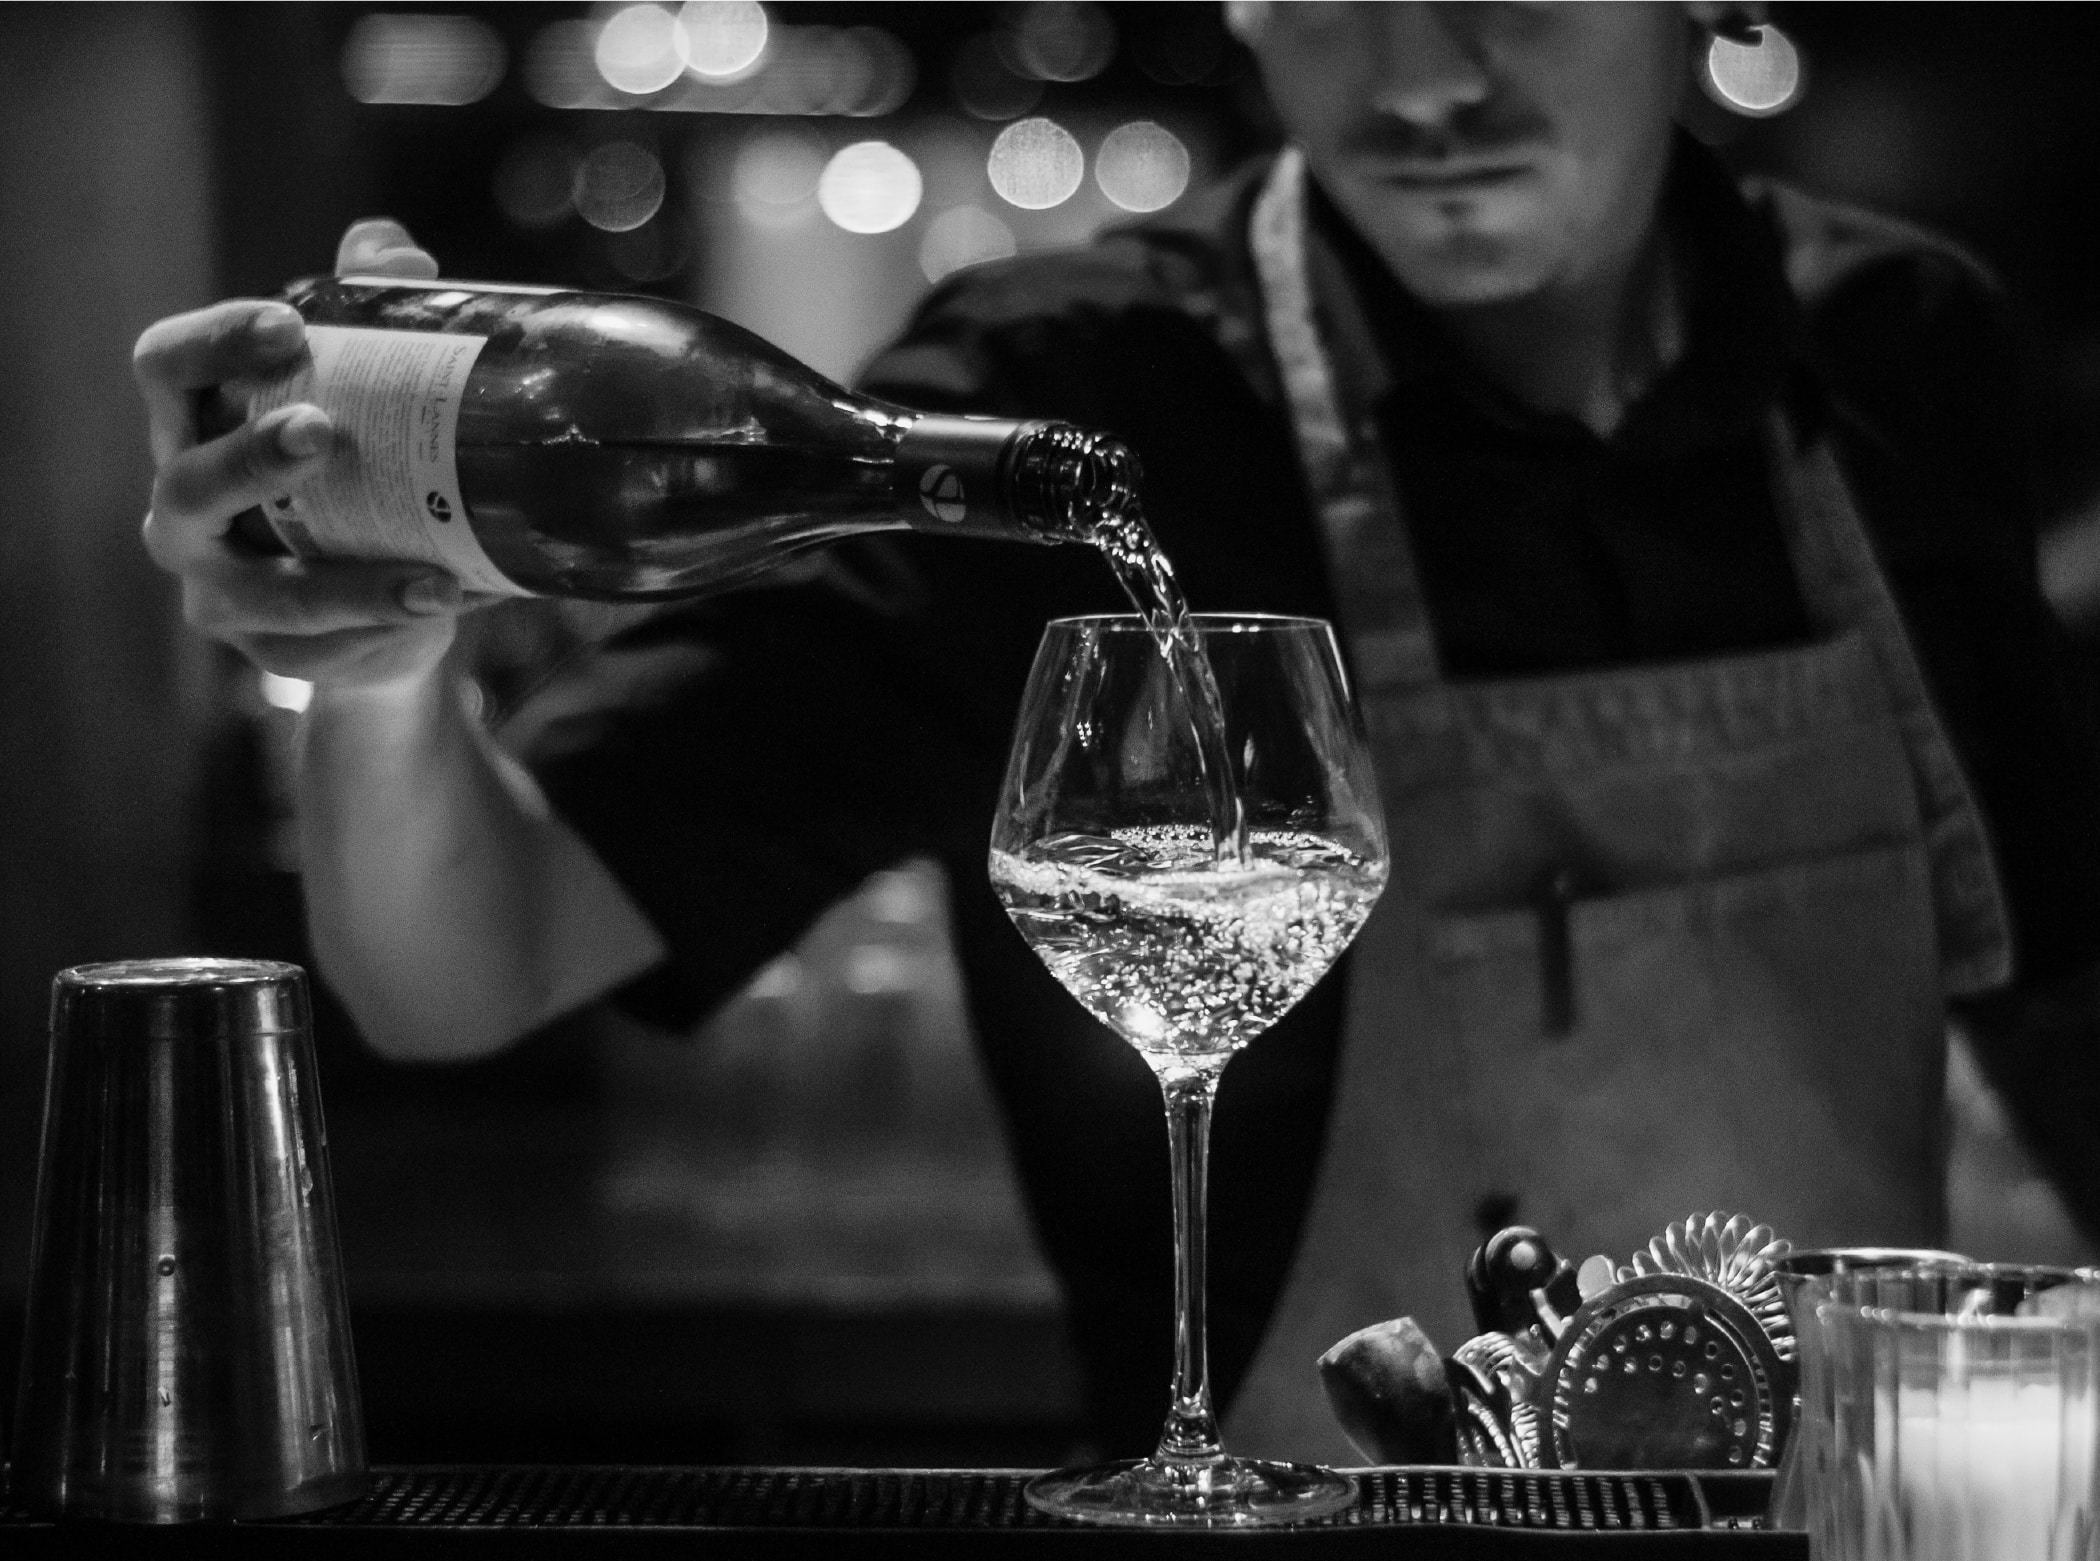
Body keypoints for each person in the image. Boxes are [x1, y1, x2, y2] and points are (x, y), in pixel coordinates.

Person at [135, 3, 2100, 1461]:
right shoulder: (1064, 403)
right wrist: (382, 679)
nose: (1423, 80)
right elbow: (459, 973)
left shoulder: (1902, 355)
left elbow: (2056, 990)